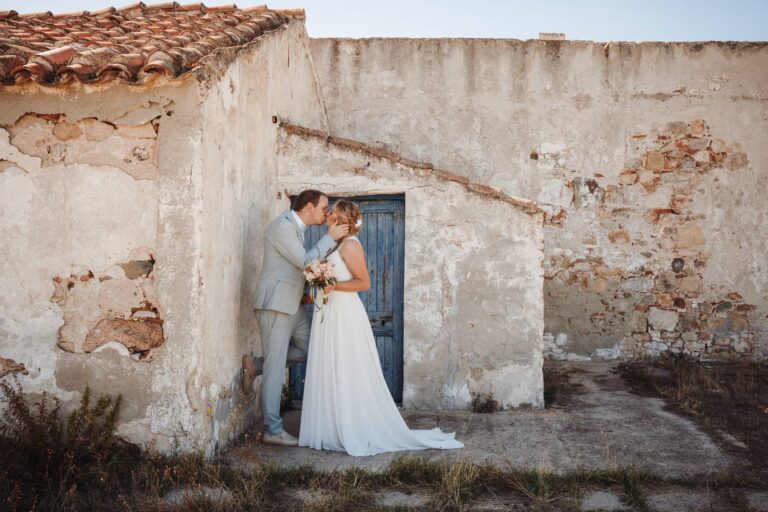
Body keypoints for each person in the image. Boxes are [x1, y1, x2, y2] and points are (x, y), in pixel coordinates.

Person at [298, 200, 464, 456]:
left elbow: (363, 283)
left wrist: (332, 286)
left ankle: (352, 425)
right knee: (329, 363)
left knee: (346, 365)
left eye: (331, 211)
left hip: (344, 313)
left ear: (340, 218)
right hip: (329, 313)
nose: (327, 214)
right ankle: (329, 426)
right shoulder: (334, 243)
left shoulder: (351, 245)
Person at [243, 189, 349, 447]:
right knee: (276, 367)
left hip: (293, 304)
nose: (327, 213)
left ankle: (256, 366)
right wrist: (328, 239)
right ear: (310, 207)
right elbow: (304, 262)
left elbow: (290, 268)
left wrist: (304, 293)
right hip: (276, 306)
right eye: (324, 208)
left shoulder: (296, 228)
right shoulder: (283, 227)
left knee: (310, 348)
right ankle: (273, 430)